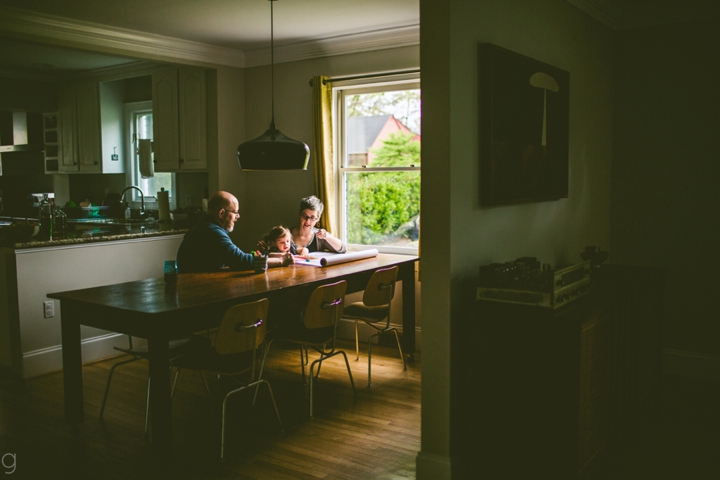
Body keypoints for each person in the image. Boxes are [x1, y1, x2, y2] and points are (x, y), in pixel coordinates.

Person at [176, 191, 292, 273]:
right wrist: (281, 260)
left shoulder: (204, 226)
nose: (238, 216)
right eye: (235, 212)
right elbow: (240, 260)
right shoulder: (212, 231)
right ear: (221, 213)